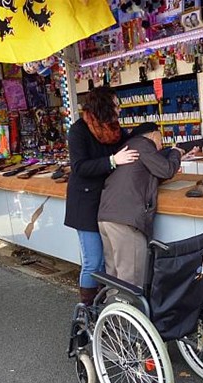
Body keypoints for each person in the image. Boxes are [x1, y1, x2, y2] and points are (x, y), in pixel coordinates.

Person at [64, 86, 139, 305]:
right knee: (93, 261)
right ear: (104, 106)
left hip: (108, 202)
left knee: (109, 261)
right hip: (85, 203)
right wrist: (112, 161)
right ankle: (86, 311)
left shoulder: (114, 129)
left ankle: (105, 308)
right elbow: (79, 167)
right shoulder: (78, 130)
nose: (120, 109)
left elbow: (131, 148)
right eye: (116, 104)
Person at [98, 122, 185, 287]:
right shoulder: (143, 145)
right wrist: (175, 153)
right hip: (125, 220)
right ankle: (129, 311)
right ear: (153, 134)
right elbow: (166, 170)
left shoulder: (131, 146)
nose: (162, 141)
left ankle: (113, 311)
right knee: (132, 280)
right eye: (161, 136)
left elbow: (151, 174)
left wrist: (177, 157)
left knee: (115, 277)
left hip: (107, 217)